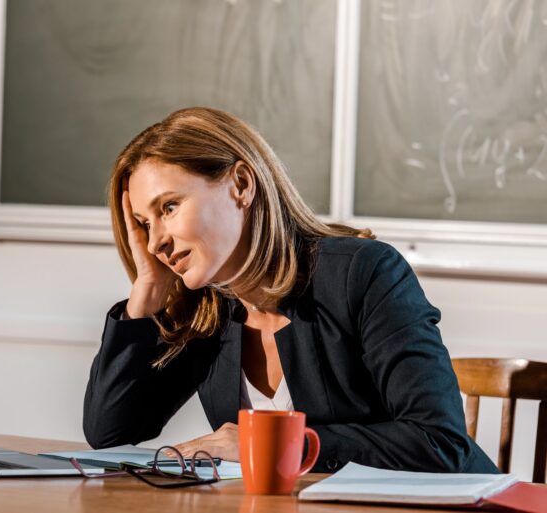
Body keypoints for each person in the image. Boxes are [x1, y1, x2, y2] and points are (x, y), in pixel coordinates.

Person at [83, 107, 497, 473]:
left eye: (168, 208)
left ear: (241, 184)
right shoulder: (207, 313)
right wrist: (145, 298)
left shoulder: (364, 273)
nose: (155, 242)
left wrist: (275, 445)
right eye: (144, 223)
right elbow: (111, 431)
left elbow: (440, 444)